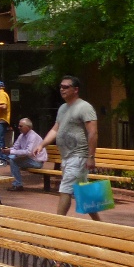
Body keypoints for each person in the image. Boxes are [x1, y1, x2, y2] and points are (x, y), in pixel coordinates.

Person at [36, 75, 101, 220]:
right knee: (82, 192)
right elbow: (55, 129)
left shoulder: (85, 107)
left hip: (79, 156)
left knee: (65, 189)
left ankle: (59, 225)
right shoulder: (63, 108)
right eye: (61, 86)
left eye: (66, 87)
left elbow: (93, 133)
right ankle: (101, 225)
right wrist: (42, 144)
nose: (62, 89)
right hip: (67, 157)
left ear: (76, 89)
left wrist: (91, 157)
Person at [2, 117, 46, 191]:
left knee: (13, 161)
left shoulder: (33, 136)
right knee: (11, 156)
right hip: (28, 159)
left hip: (36, 161)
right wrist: (8, 150)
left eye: (21, 126)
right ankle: (17, 183)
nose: (19, 128)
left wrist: (12, 152)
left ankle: (18, 184)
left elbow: (28, 152)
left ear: (28, 127)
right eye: (19, 126)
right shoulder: (21, 135)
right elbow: (15, 147)